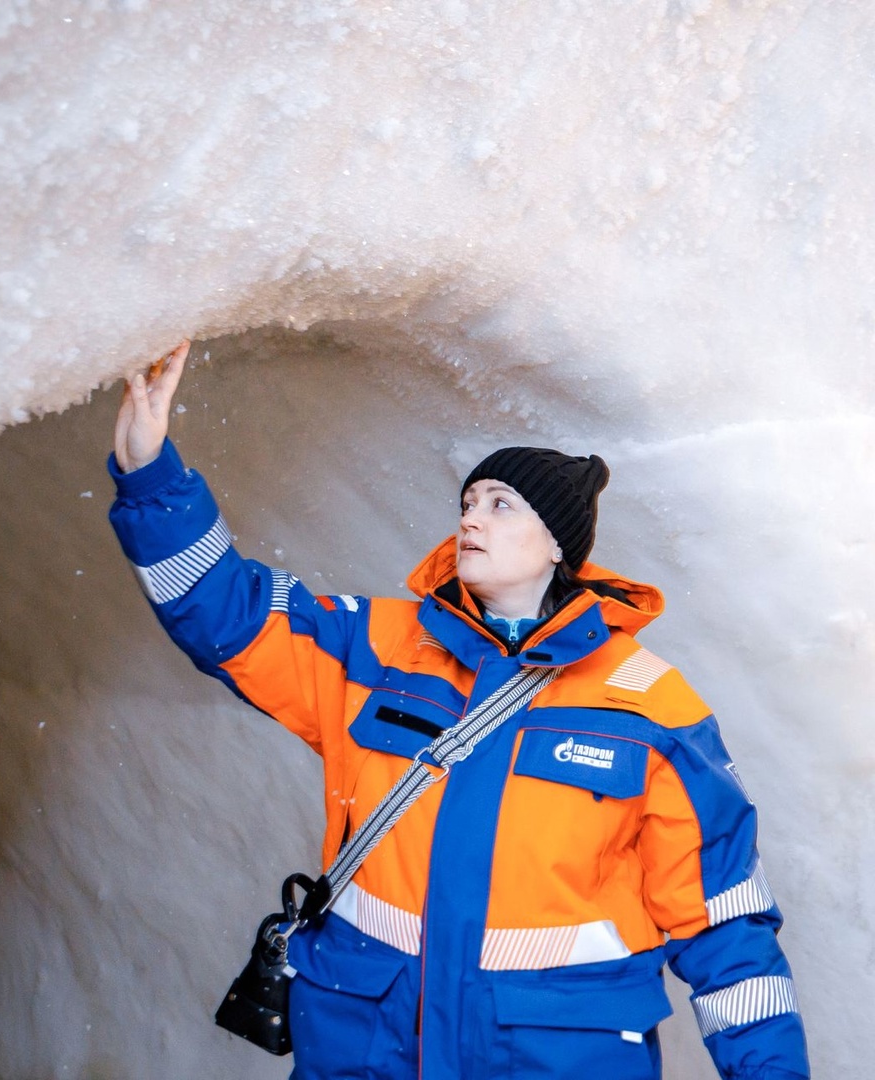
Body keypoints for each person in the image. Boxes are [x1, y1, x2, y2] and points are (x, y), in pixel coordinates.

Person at [107, 339, 809, 1080]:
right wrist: (150, 477)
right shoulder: (374, 647)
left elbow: (725, 923)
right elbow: (228, 614)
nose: (472, 517)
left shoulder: (647, 703)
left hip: (551, 1054)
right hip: (370, 1041)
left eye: (501, 505)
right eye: (468, 502)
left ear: (555, 547)